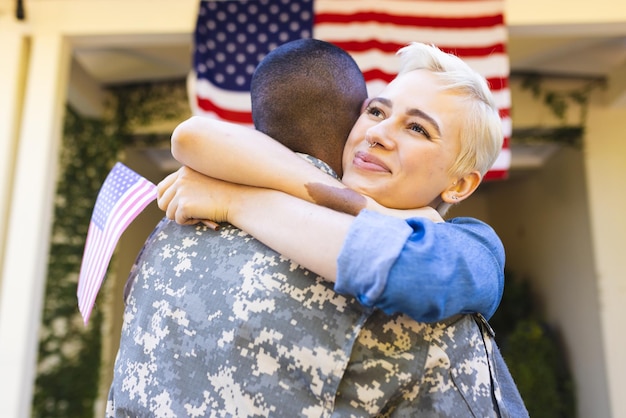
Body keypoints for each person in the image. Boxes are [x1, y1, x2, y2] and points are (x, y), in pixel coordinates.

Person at [157, 41, 528, 416]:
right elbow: (192, 137)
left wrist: (235, 201)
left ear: (460, 185)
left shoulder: (473, 242)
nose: (377, 133)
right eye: (376, 111)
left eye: (417, 128)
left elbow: (412, 272)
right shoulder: (297, 202)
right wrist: (375, 209)